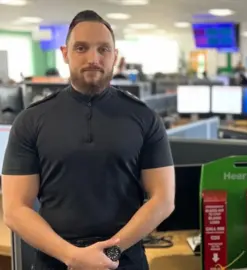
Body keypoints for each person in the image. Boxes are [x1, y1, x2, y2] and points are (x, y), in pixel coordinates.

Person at [1, 10, 175, 270]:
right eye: (81, 48)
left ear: (115, 56)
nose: (94, 58)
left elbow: (163, 200)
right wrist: (73, 256)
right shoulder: (30, 120)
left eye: (103, 49)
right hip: (56, 260)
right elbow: (15, 209)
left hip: (124, 259)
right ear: (65, 53)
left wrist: (112, 252)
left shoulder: (145, 118)